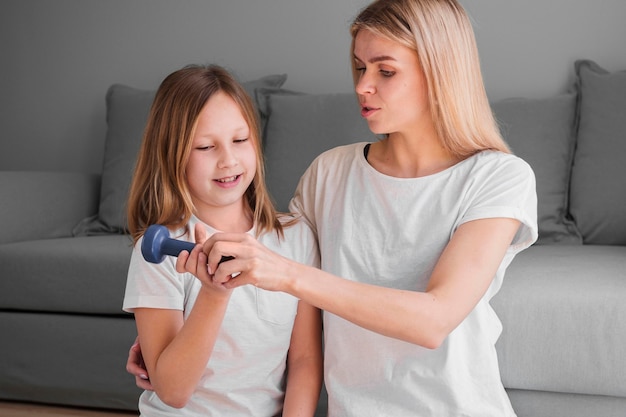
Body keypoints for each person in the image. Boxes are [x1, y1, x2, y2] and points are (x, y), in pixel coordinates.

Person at [129, 0, 538, 415]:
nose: (362, 85)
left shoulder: (499, 177)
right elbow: (264, 272)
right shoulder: (329, 173)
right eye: (360, 67)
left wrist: (287, 275)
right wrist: (164, 343)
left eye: (386, 71)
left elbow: (433, 320)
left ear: (440, 72)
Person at [123, 64, 323, 417]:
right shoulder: (158, 250)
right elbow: (172, 391)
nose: (228, 160)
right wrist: (214, 294)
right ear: (173, 155)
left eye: (240, 140)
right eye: (205, 147)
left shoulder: (296, 236)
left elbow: (305, 359)